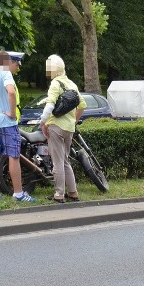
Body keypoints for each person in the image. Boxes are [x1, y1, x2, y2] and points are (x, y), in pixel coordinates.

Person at [0, 50, 35, 202]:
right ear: (5, 61)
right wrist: (11, 113)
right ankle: (18, 193)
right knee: (14, 156)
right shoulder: (5, 73)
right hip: (6, 122)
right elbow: (11, 92)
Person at [39, 54, 87, 203]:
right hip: (69, 129)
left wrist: (43, 122)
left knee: (58, 162)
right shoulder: (72, 84)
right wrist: (73, 121)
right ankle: (73, 192)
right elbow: (82, 105)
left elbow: (50, 105)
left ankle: (59, 194)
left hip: (56, 127)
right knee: (65, 160)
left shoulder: (55, 84)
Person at [6, 51, 25, 123]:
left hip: (12, 120)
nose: (18, 68)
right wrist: (13, 114)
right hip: (9, 120)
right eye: (17, 65)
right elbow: (11, 93)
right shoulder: (6, 78)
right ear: (10, 62)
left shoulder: (8, 77)